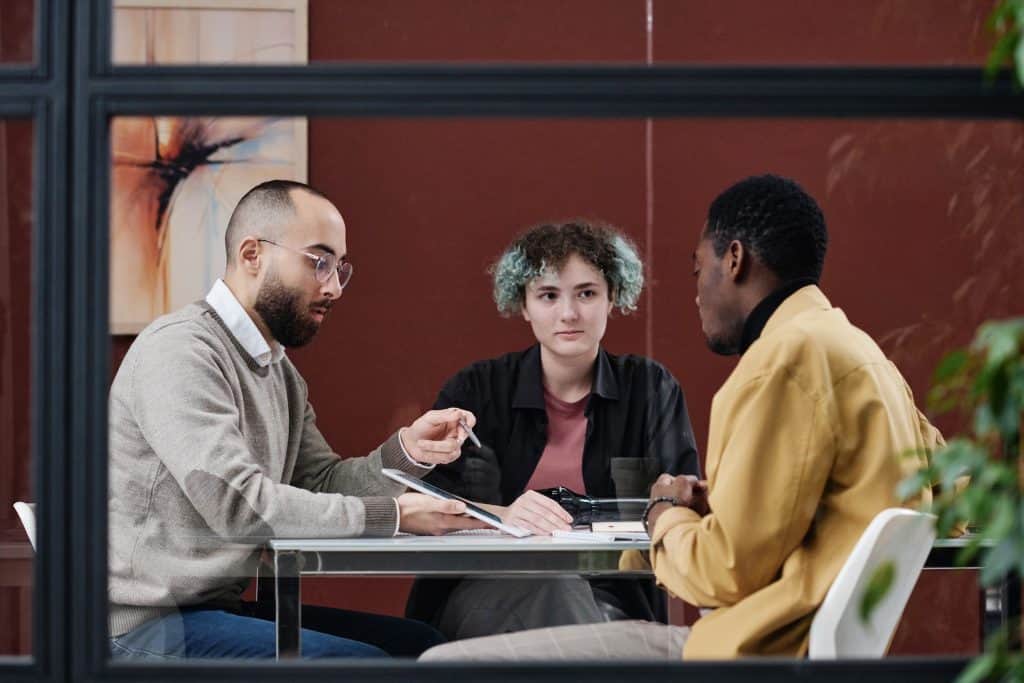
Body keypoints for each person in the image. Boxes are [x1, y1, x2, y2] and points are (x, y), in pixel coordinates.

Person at [419, 174, 943, 661]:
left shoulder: (780, 364)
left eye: (698, 270)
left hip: (745, 649)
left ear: (733, 260)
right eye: (549, 296)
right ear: (524, 305)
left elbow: (721, 572)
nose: (696, 293)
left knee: (437, 664)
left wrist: (664, 511)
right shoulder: (860, 353)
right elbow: (950, 488)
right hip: (798, 645)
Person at [108, 179, 487, 660]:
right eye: (318, 261)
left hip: (213, 610)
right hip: (144, 627)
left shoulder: (279, 371)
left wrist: (406, 452)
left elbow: (322, 482)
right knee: (364, 665)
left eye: (339, 268)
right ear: (252, 255)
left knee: (423, 647)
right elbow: (237, 504)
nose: (333, 286)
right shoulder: (180, 351)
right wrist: (393, 516)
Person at [405, 220, 700, 640]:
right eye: (548, 295)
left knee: (571, 600)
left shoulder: (651, 389)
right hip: (482, 595)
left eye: (587, 293)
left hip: (613, 599)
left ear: (612, 297)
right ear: (523, 305)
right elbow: (420, 507)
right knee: (557, 589)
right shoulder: (476, 389)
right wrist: (500, 517)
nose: (569, 313)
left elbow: (681, 506)